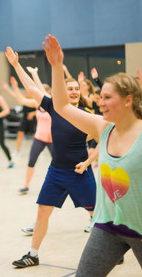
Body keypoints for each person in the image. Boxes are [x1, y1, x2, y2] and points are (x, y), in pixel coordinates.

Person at [42, 34, 142, 276]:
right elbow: (62, 107)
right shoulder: (102, 127)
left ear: (128, 100)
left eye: (108, 97)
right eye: (100, 96)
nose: (101, 102)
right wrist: (56, 66)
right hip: (108, 226)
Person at [4, 45, 96, 269]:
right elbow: (31, 89)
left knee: (97, 214)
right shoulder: (54, 107)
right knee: (42, 212)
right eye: (69, 88)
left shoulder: (88, 116)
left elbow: (105, 141)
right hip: (56, 171)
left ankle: (113, 248)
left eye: (76, 89)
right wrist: (16, 65)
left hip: (79, 172)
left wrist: (87, 162)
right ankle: (33, 255)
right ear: (62, 90)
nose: (73, 91)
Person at [4, 76, 52, 194]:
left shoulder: (52, 104)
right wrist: (15, 87)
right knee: (31, 161)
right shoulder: (37, 103)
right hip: (39, 137)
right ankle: (26, 185)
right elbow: (21, 100)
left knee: (58, 162)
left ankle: (64, 184)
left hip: (52, 139)